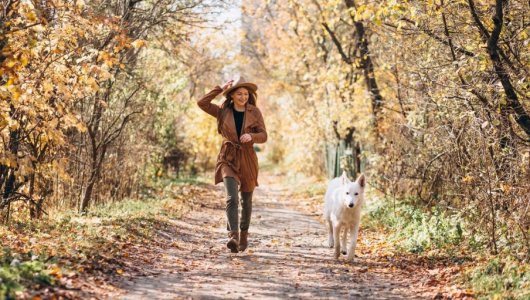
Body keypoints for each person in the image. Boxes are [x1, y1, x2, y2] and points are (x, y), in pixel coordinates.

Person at [197, 76, 267, 253]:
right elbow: (202, 103)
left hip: (248, 159)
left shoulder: (255, 112)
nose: (243, 97)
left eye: (246, 94)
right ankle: (233, 236)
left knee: (247, 200)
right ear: (232, 96)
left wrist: (252, 137)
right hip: (227, 158)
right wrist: (219, 88)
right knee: (232, 198)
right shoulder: (223, 110)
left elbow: (264, 135)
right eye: (239, 94)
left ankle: (243, 234)